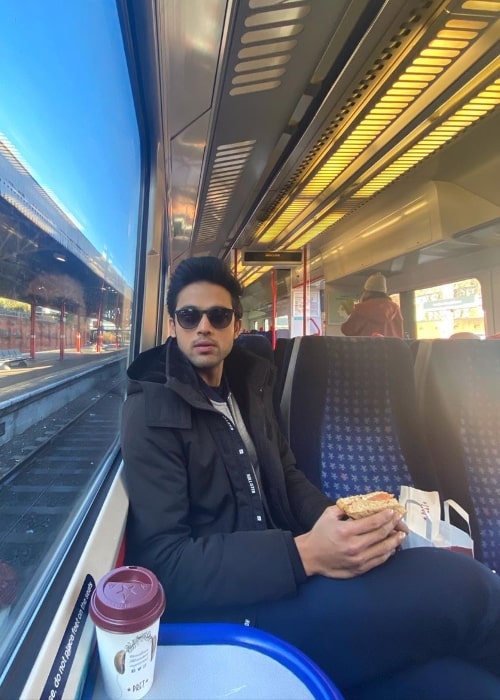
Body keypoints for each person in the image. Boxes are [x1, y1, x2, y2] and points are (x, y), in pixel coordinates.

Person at [121, 256, 500, 699]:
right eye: (190, 316)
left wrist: (336, 522)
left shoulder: (248, 386)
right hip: (235, 614)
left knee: (463, 686)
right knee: (465, 585)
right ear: (173, 325)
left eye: (218, 316)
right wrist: (305, 554)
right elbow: (164, 563)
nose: (203, 327)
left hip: (287, 579)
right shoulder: (151, 411)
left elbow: (287, 474)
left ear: (236, 325)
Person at [341, 272, 404, 338]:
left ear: (367, 292)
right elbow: (400, 334)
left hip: (365, 347)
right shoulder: (395, 308)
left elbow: (348, 330)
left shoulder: (361, 308)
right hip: (391, 347)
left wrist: (350, 315)